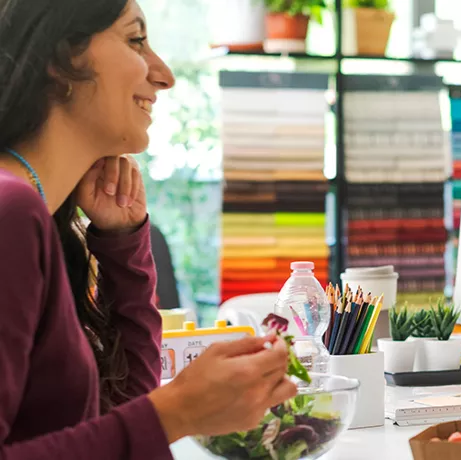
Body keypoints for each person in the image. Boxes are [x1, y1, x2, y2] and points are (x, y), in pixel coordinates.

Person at [0, 0, 298, 458]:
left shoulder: (36, 214)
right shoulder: (10, 213)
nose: (164, 75)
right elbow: (143, 421)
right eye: (135, 40)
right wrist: (177, 410)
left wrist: (121, 246)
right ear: (61, 59)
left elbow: (114, 416)